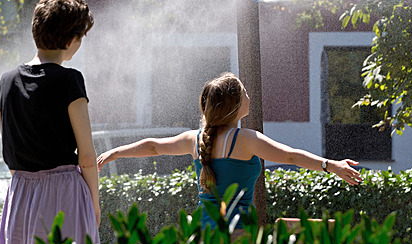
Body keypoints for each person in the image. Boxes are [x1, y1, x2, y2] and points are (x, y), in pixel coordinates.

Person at [97, 72, 362, 233]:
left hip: (202, 230)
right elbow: (291, 156)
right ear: (235, 104)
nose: (249, 95)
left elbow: (154, 146)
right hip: (238, 232)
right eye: (245, 92)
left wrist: (115, 153)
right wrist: (331, 165)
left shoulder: (196, 138)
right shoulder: (245, 139)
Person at [0, 0, 100, 244]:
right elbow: (87, 158)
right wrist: (94, 204)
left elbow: (10, 155)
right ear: (71, 39)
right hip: (63, 193)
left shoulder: (6, 82)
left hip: (20, 195)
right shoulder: (69, 80)